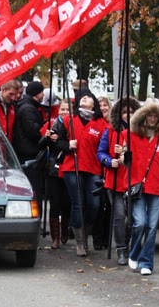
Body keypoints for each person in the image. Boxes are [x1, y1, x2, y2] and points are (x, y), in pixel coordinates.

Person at [120, 98, 159, 276]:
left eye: (156, 116)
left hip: (157, 184)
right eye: (149, 115)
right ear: (143, 116)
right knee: (140, 223)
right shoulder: (130, 134)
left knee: (153, 226)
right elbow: (123, 156)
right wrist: (125, 158)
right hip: (137, 184)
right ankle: (134, 253)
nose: (152, 119)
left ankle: (146, 262)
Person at [57, 88, 106, 257]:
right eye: (82, 96)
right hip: (72, 167)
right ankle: (79, 242)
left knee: (94, 205)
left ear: (94, 103)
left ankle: (85, 233)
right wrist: (67, 145)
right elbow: (58, 142)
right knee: (77, 203)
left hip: (93, 168)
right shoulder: (68, 120)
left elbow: (104, 147)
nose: (84, 98)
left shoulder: (102, 124)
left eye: (88, 96)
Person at [97, 96, 141, 264]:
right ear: (119, 114)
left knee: (132, 218)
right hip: (114, 178)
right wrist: (109, 161)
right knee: (119, 216)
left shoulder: (139, 132)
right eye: (124, 112)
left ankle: (127, 244)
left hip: (133, 179)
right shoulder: (110, 130)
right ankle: (121, 249)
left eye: (131, 112)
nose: (128, 115)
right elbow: (100, 152)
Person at [38, 99, 71, 249]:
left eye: (67, 110)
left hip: (68, 168)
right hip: (53, 168)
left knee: (66, 203)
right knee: (54, 203)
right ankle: (55, 237)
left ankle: (65, 231)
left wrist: (60, 140)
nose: (64, 112)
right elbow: (40, 145)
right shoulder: (51, 124)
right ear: (58, 110)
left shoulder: (73, 125)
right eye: (62, 109)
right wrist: (46, 137)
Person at [13, 80, 46, 213]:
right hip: (29, 153)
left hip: (27, 151)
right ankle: (36, 215)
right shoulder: (28, 108)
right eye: (42, 92)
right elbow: (34, 132)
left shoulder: (28, 106)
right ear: (36, 93)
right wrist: (45, 132)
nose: (43, 95)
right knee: (34, 188)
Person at [91, 96, 113, 250]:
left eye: (105, 105)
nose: (103, 108)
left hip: (110, 168)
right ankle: (97, 238)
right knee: (98, 206)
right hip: (97, 167)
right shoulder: (95, 123)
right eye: (100, 105)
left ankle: (107, 238)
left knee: (110, 207)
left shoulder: (113, 125)